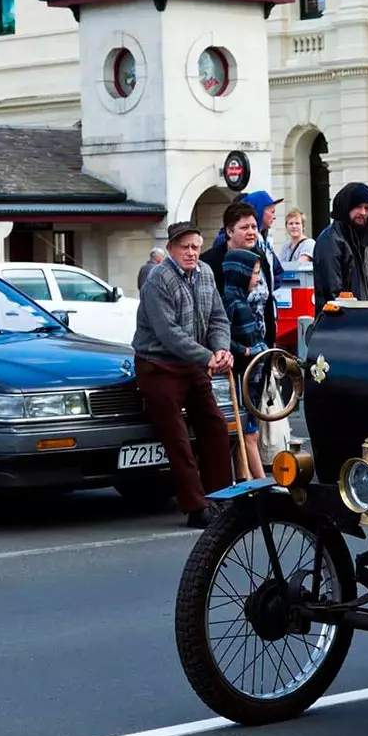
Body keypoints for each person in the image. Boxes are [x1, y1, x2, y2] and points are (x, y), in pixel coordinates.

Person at [132, 222, 233, 528]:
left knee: (215, 424)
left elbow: (218, 317)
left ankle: (222, 497)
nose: (191, 253)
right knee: (177, 436)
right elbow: (168, 334)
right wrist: (208, 357)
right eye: (185, 247)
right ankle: (195, 506)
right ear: (171, 249)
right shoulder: (157, 279)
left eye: (195, 246)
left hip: (193, 363)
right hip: (158, 365)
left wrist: (221, 350)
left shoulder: (205, 273)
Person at [220, 246, 267, 482]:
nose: (257, 279)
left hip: (251, 374)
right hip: (239, 375)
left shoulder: (242, 299)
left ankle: (244, 478)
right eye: (254, 273)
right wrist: (247, 350)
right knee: (249, 433)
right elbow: (221, 336)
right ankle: (261, 484)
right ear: (240, 273)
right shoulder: (230, 301)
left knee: (247, 434)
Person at [201, 201, 276, 347]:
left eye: (254, 227)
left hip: (262, 345)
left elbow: (267, 303)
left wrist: (271, 340)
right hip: (229, 348)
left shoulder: (259, 255)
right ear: (229, 231)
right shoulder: (210, 263)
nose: (251, 232)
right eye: (244, 227)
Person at [312, 182, 368, 313]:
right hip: (341, 323)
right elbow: (332, 293)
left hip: (356, 321)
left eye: (367, 208)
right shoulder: (331, 240)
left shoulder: (359, 239)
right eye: (358, 207)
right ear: (346, 207)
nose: (363, 213)